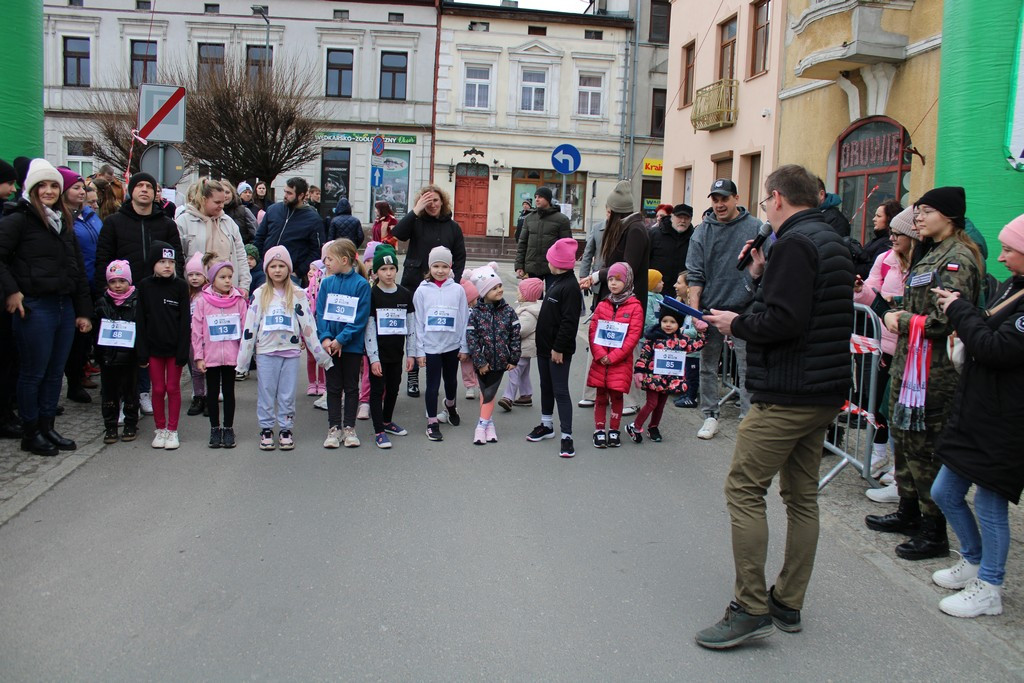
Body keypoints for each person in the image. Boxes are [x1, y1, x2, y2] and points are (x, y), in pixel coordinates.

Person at [696, 164, 855, 649]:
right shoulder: (830, 241)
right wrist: (760, 276)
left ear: (779, 198)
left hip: (787, 390)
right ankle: (788, 600)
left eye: (766, 202)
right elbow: (804, 308)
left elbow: (784, 320)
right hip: (822, 389)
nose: (765, 210)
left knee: (744, 488)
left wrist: (734, 324)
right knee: (801, 497)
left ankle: (750, 607)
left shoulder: (793, 244)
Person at [864, 186, 984, 561]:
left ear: (947, 216)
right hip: (910, 364)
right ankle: (909, 511)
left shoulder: (958, 258)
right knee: (906, 437)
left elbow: (945, 319)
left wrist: (900, 319)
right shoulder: (929, 252)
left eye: (926, 211)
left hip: (935, 371)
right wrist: (892, 305)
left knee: (927, 448)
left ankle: (933, 531)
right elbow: (920, 300)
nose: (918, 217)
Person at [928, 215, 1024, 618]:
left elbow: (997, 349)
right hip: (979, 409)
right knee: (944, 493)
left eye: (1009, 249)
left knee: (989, 505)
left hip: (1006, 421)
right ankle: (972, 559)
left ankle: (990, 586)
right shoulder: (1014, 288)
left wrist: (959, 310)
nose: (1000, 256)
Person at [0, 159, 93, 456]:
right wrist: (12, 292)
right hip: (36, 306)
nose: (49, 190)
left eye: (54, 185)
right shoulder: (18, 219)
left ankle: (47, 426)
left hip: (64, 306)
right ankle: (31, 432)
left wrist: (83, 311)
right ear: (32, 188)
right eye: (43, 185)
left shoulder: (63, 221)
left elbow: (76, 269)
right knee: (33, 373)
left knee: (55, 373)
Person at [94, 171, 183, 417]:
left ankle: (143, 392)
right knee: (122, 348)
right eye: (139, 185)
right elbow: (103, 257)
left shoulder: (166, 223)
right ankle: (121, 398)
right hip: (121, 296)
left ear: (155, 193)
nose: (144, 189)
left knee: (148, 345)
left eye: (149, 186)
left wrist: (178, 287)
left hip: (156, 294)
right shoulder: (114, 222)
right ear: (131, 190)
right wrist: (105, 289)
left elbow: (177, 257)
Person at [684, 178, 762, 439]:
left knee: (748, 366)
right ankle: (710, 416)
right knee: (707, 366)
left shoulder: (755, 228)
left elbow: (766, 269)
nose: (719, 204)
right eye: (715, 200)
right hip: (710, 309)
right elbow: (695, 275)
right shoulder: (702, 231)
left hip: (744, 309)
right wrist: (696, 313)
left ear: (736, 199)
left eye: (724, 199)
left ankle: (748, 420)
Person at [237, 246, 332, 450]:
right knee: (266, 392)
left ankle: (286, 428)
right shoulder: (260, 294)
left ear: (288, 268)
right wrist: (242, 363)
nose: (278, 270)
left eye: (281, 266)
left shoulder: (298, 294)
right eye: (273, 266)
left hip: (290, 353)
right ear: (267, 269)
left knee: (287, 393)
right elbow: (250, 328)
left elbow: (308, 327)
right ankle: (266, 429)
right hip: (266, 352)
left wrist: (322, 357)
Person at [853, 206, 919, 489]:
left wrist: (890, 299)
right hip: (882, 341)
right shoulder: (884, 259)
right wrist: (860, 290)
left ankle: (900, 468)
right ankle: (880, 455)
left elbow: (910, 302)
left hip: (909, 347)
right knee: (877, 402)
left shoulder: (923, 264)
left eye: (897, 234)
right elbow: (872, 294)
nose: (891, 238)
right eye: (890, 233)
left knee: (899, 411)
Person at [579, 180, 650, 415]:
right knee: (601, 342)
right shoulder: (626, 228)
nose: (606, 215)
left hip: (628, 301)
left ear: (616, 211)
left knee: (626, 348)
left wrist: (598, 276)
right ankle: (593, 392)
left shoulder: (636, 230)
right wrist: (598, 277)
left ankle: (629, 399)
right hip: (611, 298)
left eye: (609, 211)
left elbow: (626, 268)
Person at [392, 184, 466, 399]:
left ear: (442, 202)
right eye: (427, 201)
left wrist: (455, 283)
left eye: (435, 200)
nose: (432, 204)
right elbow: (398, 234)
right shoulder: (416, 222)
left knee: (438, 328)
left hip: (444, 287)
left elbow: (459, 257)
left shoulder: (452, 227)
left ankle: (439, 378)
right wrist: (415, 211)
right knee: (414, 328)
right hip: (415, 282)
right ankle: (413, 375)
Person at [527, 237, 583, 458]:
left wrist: (559, 348)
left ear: (558, 263)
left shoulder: (570, 287)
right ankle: (547, 424)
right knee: (546, 386)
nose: (547, 262)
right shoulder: (555, 281)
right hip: (544, 347)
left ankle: (567, 436)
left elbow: (569, 322)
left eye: (550, 259)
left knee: (560, 390)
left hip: (558, 350)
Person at [316, 239, 371, 449]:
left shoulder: (361, 285)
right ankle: (333, 428)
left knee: (350, 387)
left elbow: (360, 318)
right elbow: (321, 313)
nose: (326, 262)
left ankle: (349, 427)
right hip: (330, 346)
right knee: (332, 387)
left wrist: (341, 340)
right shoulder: (327, 283)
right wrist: (327, 338)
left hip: (351, 346)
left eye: (329, 258)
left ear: (344, 259)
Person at [136, 241, 190, 451]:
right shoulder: (145, 286)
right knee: (157, 389)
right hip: (153, 349)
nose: (167, 265)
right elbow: (140, 320)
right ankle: (160, 429)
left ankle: (172, 429)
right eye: (162, 261)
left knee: (173, 388)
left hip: (174, 348)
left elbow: (185, 322)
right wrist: (141, 352)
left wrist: (183, 351)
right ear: (153, 264)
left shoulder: (180, 286)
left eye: (171, 261)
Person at [412, 246, 469, 442]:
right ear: (430, 267)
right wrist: (419, 350)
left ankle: (450, 405)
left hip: (452, 346)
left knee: (451, 382)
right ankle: (432, 422)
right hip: (431, 347)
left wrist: (464, 346)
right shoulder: (421, 291)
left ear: (450, 267)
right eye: (436, 266)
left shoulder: (458, 290)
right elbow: (418, 322)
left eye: (444, 266)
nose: (440, 270)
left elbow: (464, 318)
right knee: (433, 385)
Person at [363, 244, 416, 449]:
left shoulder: (404, 294)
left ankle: (387, 421)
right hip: (378, 353)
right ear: (376, 272)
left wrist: (411, 354)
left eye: (392, 268)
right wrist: (373, 358)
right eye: (383, 269)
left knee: (393, 388)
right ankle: (378, 431)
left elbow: (411, 326)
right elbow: (369, 328)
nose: (388, 273)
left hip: (397, 353)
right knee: (378, 390)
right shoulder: (372, 294)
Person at [586, 262, 644, 449]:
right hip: (601, 360)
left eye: (618, 280)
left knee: (617, 397)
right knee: (600, 396)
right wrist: (600, 354)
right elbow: (593, 331)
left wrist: (615, 356)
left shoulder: (635, 307)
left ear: (627, 281)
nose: (613, 283)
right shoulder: (603, 304)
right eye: (610, 279)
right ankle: (599, 429)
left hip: (620, 361)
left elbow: (633, 336)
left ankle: (614, 429)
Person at [191, 258, 248, 449]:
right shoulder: (202, 302)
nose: (227, 281)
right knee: (213, 393)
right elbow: (197, 331)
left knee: (230, 393)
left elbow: (245, 328)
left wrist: (244, 355)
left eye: (230, 277)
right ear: (212, 279)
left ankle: (229, 428)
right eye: (222, 277)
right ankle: (215, 428)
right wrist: (199, 356)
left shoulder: (239, 301)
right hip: (211, 357)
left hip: (231, 356)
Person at [627, 307, 705, 444]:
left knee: (660, 405)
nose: (668, 324)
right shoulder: (653, 339)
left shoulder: (682, 341)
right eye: (665, 321)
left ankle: (653, 428)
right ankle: (635, 426)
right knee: (652, 403)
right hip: (653, 377)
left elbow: (697, 345)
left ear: (679, 324)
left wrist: (702, 332)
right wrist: (639, 371)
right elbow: (644, 356)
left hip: (670, 379)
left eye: (673, 322)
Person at [466, 264, 521, 445]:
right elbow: (472, 339)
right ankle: (487, 425)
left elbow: (515, 336)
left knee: (490, 392)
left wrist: (513, 358)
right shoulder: (475, 314)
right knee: (485, 391)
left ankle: (482, 425)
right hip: (483, 362)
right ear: (483, 292)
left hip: (501, 361)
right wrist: (480, 362)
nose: (499, 290)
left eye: (499, 286)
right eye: (493, 288)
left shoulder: (508, 312)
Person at [59, 166, 100, 404]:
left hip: (93, 284)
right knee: (74, 339)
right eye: (76, 188)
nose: (82, 192)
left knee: (86, 337)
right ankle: (73, 381)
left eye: (82, 187)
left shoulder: (89, 216)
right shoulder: (64, 218)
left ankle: (79, 375)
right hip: (75, 285)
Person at [176, 178, 251, 295]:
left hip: (228, 291)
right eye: (217, 202)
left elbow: (241, 255)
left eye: (223, 202)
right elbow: (178, 259)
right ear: (204, 200)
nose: (222, 206)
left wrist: (244, 286)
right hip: (196, 292)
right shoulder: (184, 221)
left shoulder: (229, 223)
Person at [94, 260, 140, 444]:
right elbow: (96, 330)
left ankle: (130, 423)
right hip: (108, 356)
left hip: (130, 355)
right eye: (113, 282)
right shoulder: (102, 302)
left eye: (122, 281)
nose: (118, 285)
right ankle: (110, 425)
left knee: (130, 391)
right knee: (109, 393)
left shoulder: (137, 301)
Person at [254, 177, 324, 284]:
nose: (285, 196)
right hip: (266, 270)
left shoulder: (313, 219)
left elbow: (316, 250)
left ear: (301, 195)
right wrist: (261, 262)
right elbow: (260, 237)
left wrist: (298, 272)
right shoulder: (273, 210)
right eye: (285, 192)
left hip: (291, 275)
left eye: (289, 193)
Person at [498, 277, 543, 411]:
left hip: (522, 349)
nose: (517, 293)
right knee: (523, 372)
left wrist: (505, 333)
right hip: (524, 349)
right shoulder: (528, 308)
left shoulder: (528, 313)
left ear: (526, 294)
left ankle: (508, 397)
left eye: (520, 291)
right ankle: (526, 394)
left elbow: (520, 330)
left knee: (514, 371)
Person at [515, 187, 571, 279]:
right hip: (533, 267)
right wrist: (519, 265)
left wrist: (565, 267)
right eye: (536, 197)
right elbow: (522, 243)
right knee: (534, 293)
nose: (537, 199)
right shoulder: (529, 218)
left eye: (540, 197)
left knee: (553, 293)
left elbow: (566, 246)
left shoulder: (562, 219)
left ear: (548, 199)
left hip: (553, 267)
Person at [184, 253, 209, 417]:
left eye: (198, 274)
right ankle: (198, 395)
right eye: (191, 275)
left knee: (209, 367)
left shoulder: (209, 294)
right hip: (191, 337)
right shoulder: (186, 295)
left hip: (207, 337)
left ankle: (209, 396)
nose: (194, 278)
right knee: (195, 368)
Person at [649, 203, 693, 288]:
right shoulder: (654, 234)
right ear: (672, 217)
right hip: (656, 290)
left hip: (682, 292)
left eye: (686, 218)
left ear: (690, 219)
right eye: (679, 217)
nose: (683, 221)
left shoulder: (694, 238)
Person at [305, 250, 329, 397]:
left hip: (321, 327)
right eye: (310, 269)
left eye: (314, 270)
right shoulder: (305, 292)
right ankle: (311, 382)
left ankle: (321, 382)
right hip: (309, 328)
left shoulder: (323, 287)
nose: (310, 272)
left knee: (321, 356)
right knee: (310, 357)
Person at [859, 199, 903, 279]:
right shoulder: (878, 239)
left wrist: (851, 265)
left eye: (878, 216)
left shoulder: (888, 243)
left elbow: (873, 270)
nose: (874, 219)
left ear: (889, 219)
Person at [459, 278, 480, 400]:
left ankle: (480, 385)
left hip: (477, 345)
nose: (478, 300)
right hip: (465, 344)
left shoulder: (479, 310)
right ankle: (470, 386)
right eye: (475, 298)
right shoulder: (463, 312)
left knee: (479, 365)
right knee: (466, 367)